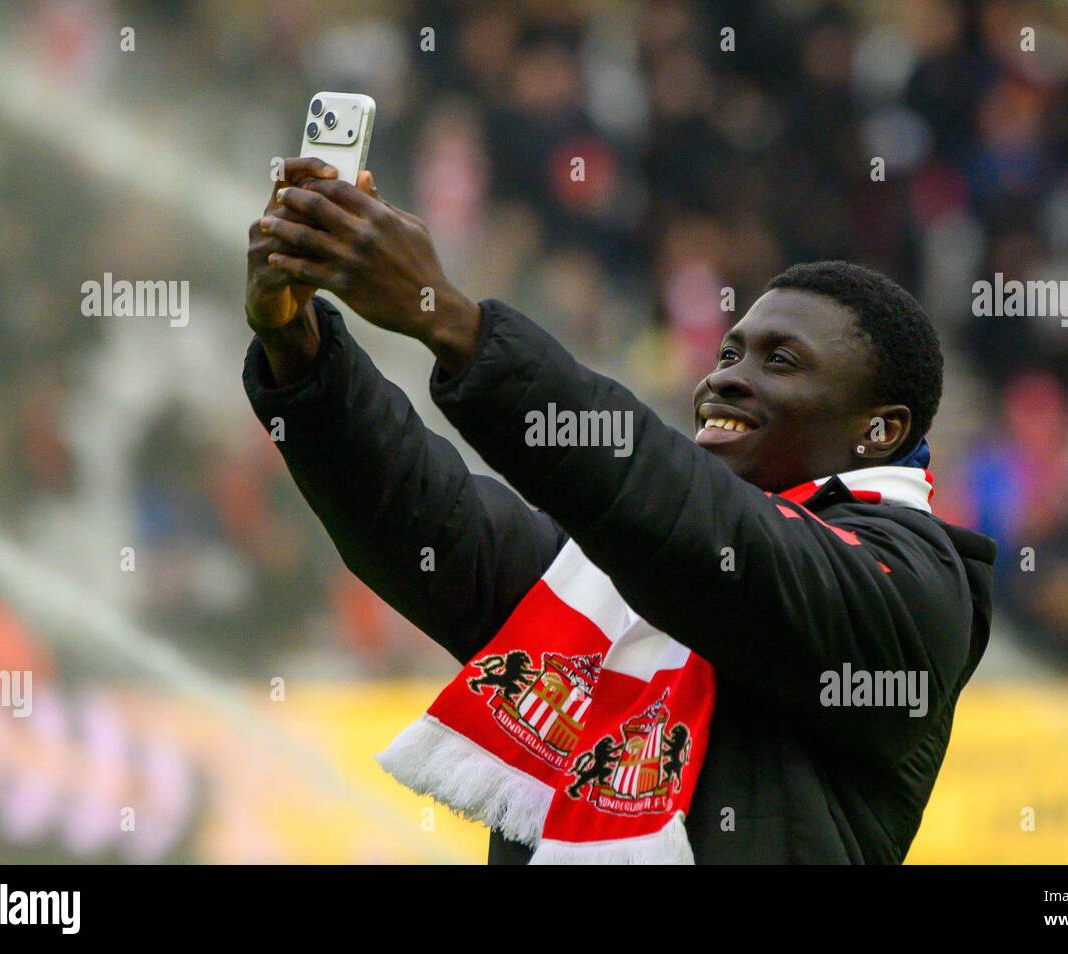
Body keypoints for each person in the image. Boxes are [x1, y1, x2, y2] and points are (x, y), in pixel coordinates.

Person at [241, 159, 995, 864]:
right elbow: (424, 522)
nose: (726, 380)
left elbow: (712, 534)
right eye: (729, 354)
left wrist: (453, 324)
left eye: (781, 361)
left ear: (881, 430)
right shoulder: (606, 578)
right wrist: (298, 351)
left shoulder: (918, 585)